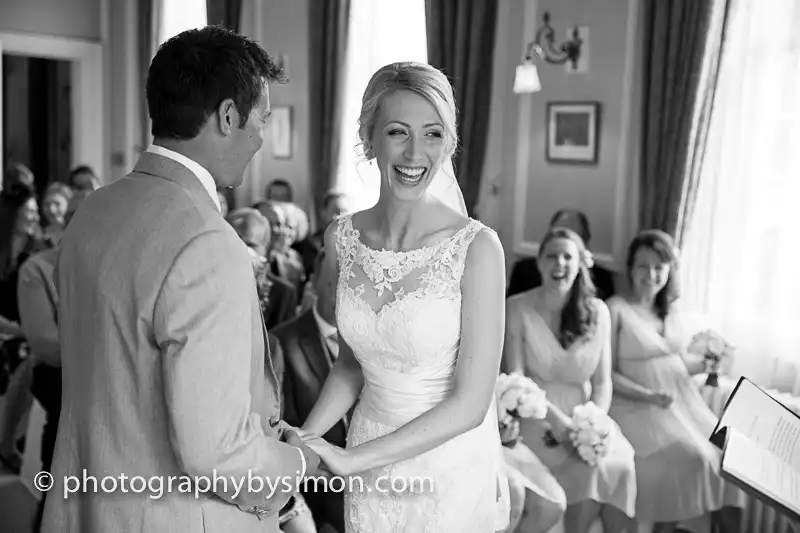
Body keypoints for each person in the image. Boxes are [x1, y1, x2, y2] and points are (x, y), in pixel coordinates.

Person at [41, 26, 319, 533]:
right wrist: (299, 464)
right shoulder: (209, 244)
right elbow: (216, 454)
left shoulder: (94, 210)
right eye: (261, 119)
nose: (261, 137)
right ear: (228, 117)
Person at [294, 62, 510, 532]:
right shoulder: (342, 239)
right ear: (368, 138)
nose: (416, 152)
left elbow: (472, 404)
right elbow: (352, 366)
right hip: (367, 452)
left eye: (433, 134)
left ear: (449, 143)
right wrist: (306, 440)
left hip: (446, 466)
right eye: (397, 131)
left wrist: (352, 461)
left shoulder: (477, 248)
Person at [607, 230, 745, 532]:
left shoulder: (671, 313)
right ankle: (666, 526)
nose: (651, 274)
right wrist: (648, 395)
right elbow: (606, 372)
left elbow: (677, 362)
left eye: (659, 267)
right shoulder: (615, 309)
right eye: (643, 266)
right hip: (637, 405)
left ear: (669, 271)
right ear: (630, 268)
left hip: (682, 403)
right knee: (695, 458)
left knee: (730, 454)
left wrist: (710, 362)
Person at [503, 227, 637, 533]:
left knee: (621, 464)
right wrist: (558, 421)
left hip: (585, 413)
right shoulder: (517, 307)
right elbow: (517, 378)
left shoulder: (598, 312)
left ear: (580, 264)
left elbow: (603, 383)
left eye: (568, 256)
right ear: (538, 263)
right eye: (551, 256)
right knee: (583, 469)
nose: (559, 263)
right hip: (535, 414)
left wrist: (593, 421)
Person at [270, 249, 349, 533]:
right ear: (314, 282)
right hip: (320, 503)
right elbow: (283, 432)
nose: (343, 291)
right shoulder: (282, 342)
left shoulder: (379, 339)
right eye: (334, 282)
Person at [506, 208, 616, 300]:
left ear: (585, 241)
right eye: (557, 234)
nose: (562, 240)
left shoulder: (601, 280)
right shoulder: (524, 271)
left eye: (571, 236)